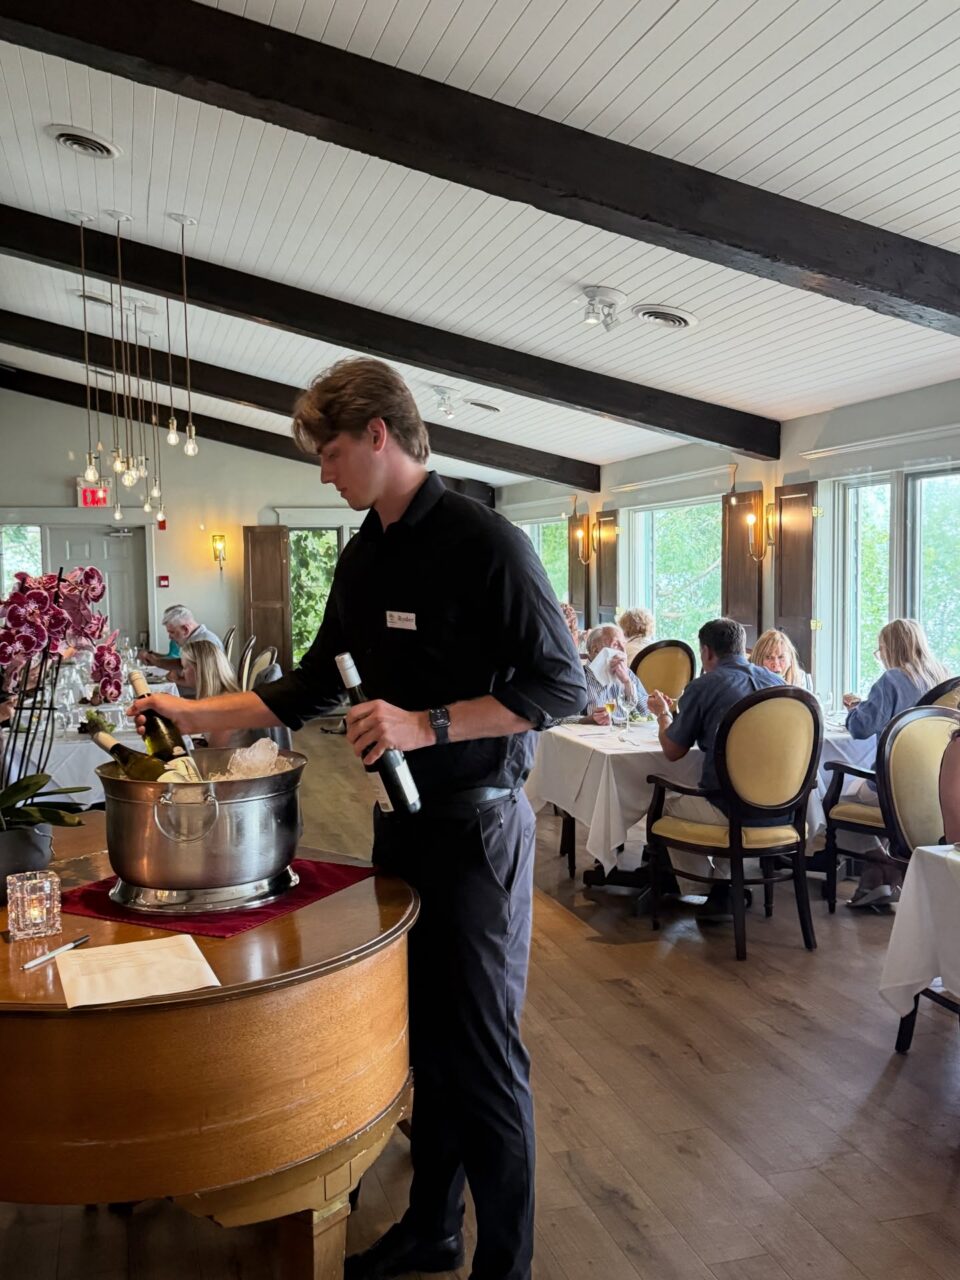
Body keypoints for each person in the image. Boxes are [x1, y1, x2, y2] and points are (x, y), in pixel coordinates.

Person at [128, 356, 586, 1280]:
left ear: (380, 434)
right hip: (403, 830)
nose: (325, 472)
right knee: (428, 1045)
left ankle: (507, 1265)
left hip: (480, 832)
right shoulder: (364, 553)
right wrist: (190, 713)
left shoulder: (488, 542)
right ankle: (434, 1228)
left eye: (331, 453)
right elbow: (307, 688)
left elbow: (561, 687)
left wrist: (427, 724)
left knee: (484, 1056)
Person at [646, 618, 783, 920]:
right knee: (722, 791)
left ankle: (705, 886)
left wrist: (664, 715)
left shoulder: (705, 685)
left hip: (730, 807)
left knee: (666, 801)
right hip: (783, 809)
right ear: (743, 648)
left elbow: (673, 751)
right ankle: (726, 885)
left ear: (706, 652)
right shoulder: (779, 684)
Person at [842, 618, 948, 909]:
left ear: (889, 649)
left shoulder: (891, 680)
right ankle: (876, 883)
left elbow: (860, 728)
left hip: (896, 787)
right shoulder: (944, 678)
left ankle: (884, 861)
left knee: (833, 798)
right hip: (937, 786)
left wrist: (854, 709)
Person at [178, 638, 266, 749]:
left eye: (185, 667)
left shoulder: (223, 705)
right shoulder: (217, 696)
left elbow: (214, 752)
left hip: (232, 759)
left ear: (199, 669)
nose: (182, 673)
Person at [583, 624, 648, 722]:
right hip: (589, 731)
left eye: (624, 644)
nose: (623, 650)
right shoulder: (579, 677)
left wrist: (627, 682)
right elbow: (561, 719)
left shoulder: (628, 674)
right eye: (616, 645)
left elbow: (646, 712)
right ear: (595, 650)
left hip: (624, 731)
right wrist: (587, 720)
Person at [138, 605, 222, 675]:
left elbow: (183, 665)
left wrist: (156, 661)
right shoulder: (195, 638)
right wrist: (153, 657)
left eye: (172, 632)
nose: (170, 637)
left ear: (186, 629)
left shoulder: (204, 641)